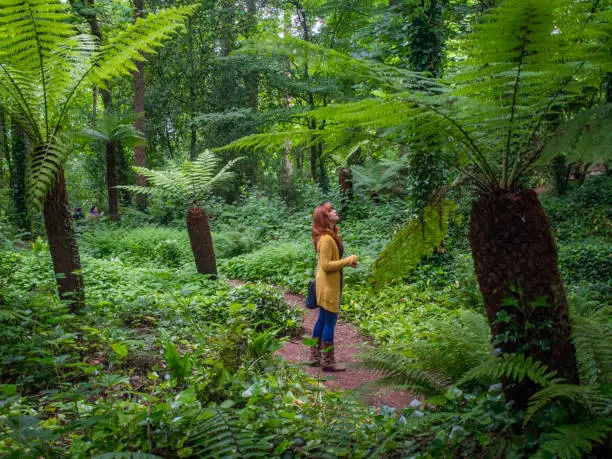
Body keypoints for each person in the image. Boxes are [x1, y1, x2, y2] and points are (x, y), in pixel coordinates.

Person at [309, 202, 358, 372]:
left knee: (322, 319)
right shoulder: (326, 239)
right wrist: (348, 260)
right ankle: (328, 362)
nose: (335, 211)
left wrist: (346, 263)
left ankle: (315, 357)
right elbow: (326, 265)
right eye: (330, 211)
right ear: (324, 218)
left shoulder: (330, 236)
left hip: (327, 283)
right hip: (328, 285)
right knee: (330, 321)